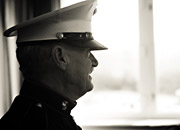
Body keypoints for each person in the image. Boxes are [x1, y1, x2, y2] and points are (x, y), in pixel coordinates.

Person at [0, 0, 107, 129]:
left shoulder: (40, 115)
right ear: (60, 57)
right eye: (88, 53)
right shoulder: (41, 123)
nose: (95, 62)